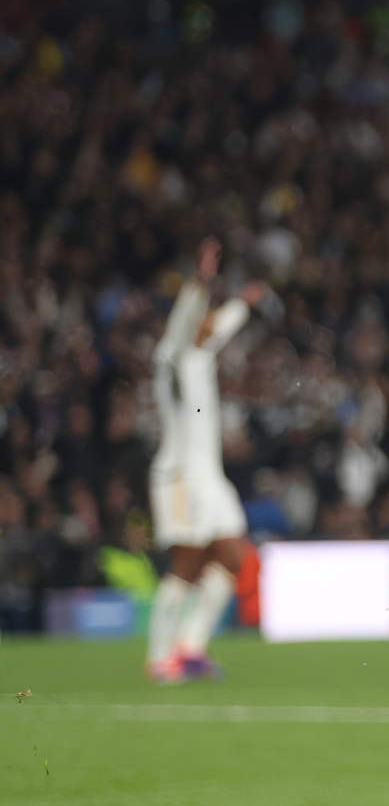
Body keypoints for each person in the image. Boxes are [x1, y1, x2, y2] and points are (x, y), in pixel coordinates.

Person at [146, 238, 265, 683]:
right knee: (187, 566)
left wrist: (243, 304)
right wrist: (199, 282)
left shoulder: (200, 353)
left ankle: (190, 647)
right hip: (179, 477)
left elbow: (214, 329)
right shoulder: (171, 357)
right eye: (203, 316)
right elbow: (187, 322)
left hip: (209, 476)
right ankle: (159, 658)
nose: (207, 324)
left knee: (232, 559)